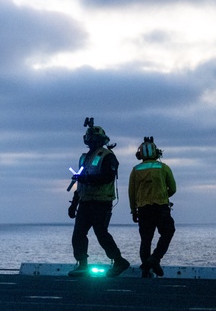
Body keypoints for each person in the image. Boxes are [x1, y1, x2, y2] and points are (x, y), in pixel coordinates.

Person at [68, 118, 131, 277]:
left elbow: (107, 177)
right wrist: (74, 204)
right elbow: (80, 183)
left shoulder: (108, 156)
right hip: (85, 202)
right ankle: (82, 264)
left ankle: (119, 261)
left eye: (94, 139)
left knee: (101, 232)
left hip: (102, 202)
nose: (91, 142)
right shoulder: (84, 158)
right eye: (89, 139)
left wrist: (86, 179)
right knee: (78, 234)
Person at [128, 136, 176, 278]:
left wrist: (133, 210)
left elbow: (131, 193)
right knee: (168, 232)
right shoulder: (163, 167)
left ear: (140, 154)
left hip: (143, 210)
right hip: (161, 208)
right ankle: (155, 259)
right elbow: (173, 188)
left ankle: (146, 270)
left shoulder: (135, 170)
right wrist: (163, 195)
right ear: (157, 152)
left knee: (146, 239)